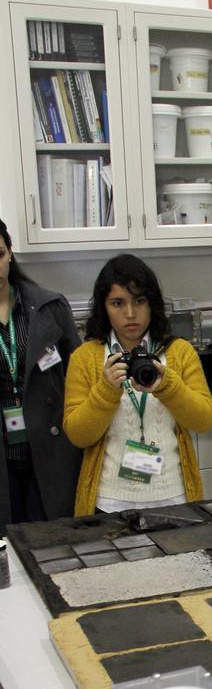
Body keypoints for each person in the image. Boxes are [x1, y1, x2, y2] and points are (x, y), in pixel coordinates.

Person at [63, 254, 212, 515]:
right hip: (108, 502)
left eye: (139, 301)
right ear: (104, 307)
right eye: (117, 303)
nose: (130, 314)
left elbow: (203, 420)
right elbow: (78, 435)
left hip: (174, 497)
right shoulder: (86, 358)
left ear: (152, 304)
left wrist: (168, 385)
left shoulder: (179, 352)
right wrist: (106, 391)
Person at [0, 217, 81, 533]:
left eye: (0, 255)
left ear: (10, 254)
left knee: (56, 544)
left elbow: (79, 376)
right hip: (4, 456)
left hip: (49, 449)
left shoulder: (49, 306)